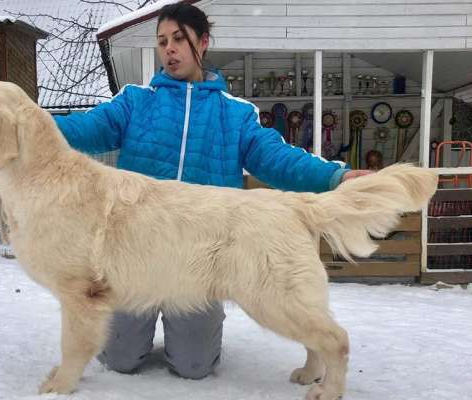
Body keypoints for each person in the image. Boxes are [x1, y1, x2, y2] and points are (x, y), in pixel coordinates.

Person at [54, 1, 370, 380]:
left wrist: (335, 177)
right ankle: (135, 334)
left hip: (204, 258)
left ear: (202, 43)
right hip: (136, 254)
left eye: (178, 39)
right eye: (162, 41)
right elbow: (81, 129)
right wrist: (23, 125)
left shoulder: (234, 114)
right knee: (120, 359)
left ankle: (186, 336)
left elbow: (278, 158)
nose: (169, 49)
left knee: (193, 366)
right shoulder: (136, 103)